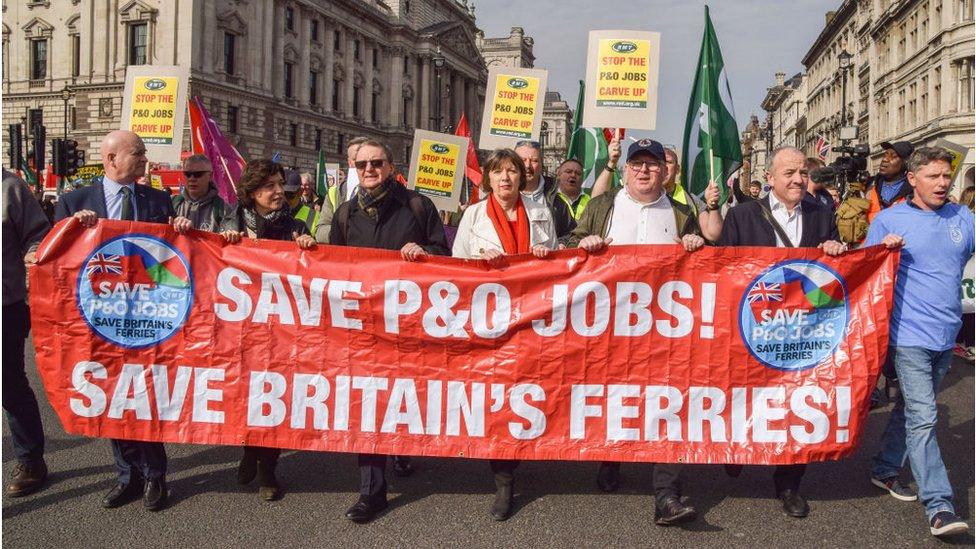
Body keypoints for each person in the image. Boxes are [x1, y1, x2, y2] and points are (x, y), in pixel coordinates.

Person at [567, 138, 705, 527]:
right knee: (613, 396)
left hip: (666, 331)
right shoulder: (601, 207)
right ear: (625, 170)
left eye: (652, 164)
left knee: (669, 402)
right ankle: (611, 457)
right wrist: (585, 245)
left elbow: (704, 262)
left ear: (665, 171)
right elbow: (569, 250)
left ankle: (667, 494)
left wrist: (696, 245)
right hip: (609, 326)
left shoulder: (680, 212)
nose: (644, 171)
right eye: (636, 164)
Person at [54, 130, 192, 512]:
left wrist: (180, 228)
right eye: (138, 152)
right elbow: (53, 259)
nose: (145, 158)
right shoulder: (74, 202)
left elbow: (174, 255)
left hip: (149, 319)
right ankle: (126, 476)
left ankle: (155, 477)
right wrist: (70, 230)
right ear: (112, 158)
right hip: (100, 320)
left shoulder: (158, 199)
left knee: (145, 396)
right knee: (112, 399)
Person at [718, 146, 847, 519]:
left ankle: (789, 482)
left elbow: (836, 268)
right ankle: (737, 448)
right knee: (745, 395)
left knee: (795, 402)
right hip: (752, 326)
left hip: (801, 333)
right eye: (788, 173)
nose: (797, 179)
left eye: (802, 173)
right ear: (770, 178)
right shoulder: (742, 215)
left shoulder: (822, 215)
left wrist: (836, 249)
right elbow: (725, 267)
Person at [329, 139, 450, 524]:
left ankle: (401, 446)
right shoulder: (346, 213)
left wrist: (424, 252)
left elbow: (444, 255)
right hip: (364, 328)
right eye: (362, 164)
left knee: (404, 397)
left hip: (410, 325)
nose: (369, 169)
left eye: (376, 162)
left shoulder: (418, 205)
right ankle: (371, 492)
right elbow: (333, 268)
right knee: (370, 404)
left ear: (391, 165)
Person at [867, 147, 973, 537]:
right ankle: (940, 506)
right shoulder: (889, 219)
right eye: (934, 176)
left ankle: (884, 468)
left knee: (912, 409)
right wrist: (882, 251)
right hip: (907, 334)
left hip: (947, 334)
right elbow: (862, 270)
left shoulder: (963, 216)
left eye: (947, 176)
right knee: (926, 416)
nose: (943, 183)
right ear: (913, 179)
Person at [451, 149, 557, 521]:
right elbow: (458, 267)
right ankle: (504, 480)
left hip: (531, 320)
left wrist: (547, 256)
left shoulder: (541, 213)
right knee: (498, 396)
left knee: (526, 393)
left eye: (512, 170)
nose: (506, 178)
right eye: (499, 172)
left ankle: (524, 452)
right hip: (490, 322)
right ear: (489, 178)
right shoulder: (473, 216)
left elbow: (559, 265)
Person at [221, 159, 315, 502]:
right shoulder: (232, 221)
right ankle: (249, 447)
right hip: (241, 327)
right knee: (245, 394)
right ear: (251, 193)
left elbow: (313, 272)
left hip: (281, 329)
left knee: (274, 395)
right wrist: (225, 242)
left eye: (280, 185)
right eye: (269, 186)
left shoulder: (297, 225)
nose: (278, 192)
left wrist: (307, 247)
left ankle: (268, 470)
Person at [2, 169, 51, 497]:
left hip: (5, 305)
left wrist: (34, 253)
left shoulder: (10, 188)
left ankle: (31, 460)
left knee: (10, 385)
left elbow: (39, 235)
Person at [514, 140, 576, 240]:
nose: (527, 166)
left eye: (534, 160)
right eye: (522, 160)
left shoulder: (558, 195)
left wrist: (562, 244)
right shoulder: (502, 194)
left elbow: (571, 234)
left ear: (541, 163)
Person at [172, 154, 239, 233]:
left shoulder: (224, 209)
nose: (192, 179)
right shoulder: (171, 203)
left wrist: (231, 234)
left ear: (210, 176)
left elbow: (228, 239)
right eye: (188, 174)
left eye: (198, 174)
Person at [867, 141, 915, 222]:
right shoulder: (869, 185)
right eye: (886, 154)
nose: (885, 159)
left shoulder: (914, 191)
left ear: (906, 163)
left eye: (893, 156)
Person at [282, 170, 319, 234]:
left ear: (300, 192)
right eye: (280, 195)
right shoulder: (269, 215)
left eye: (288, 195)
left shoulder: (313, 216)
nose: (284, 199)